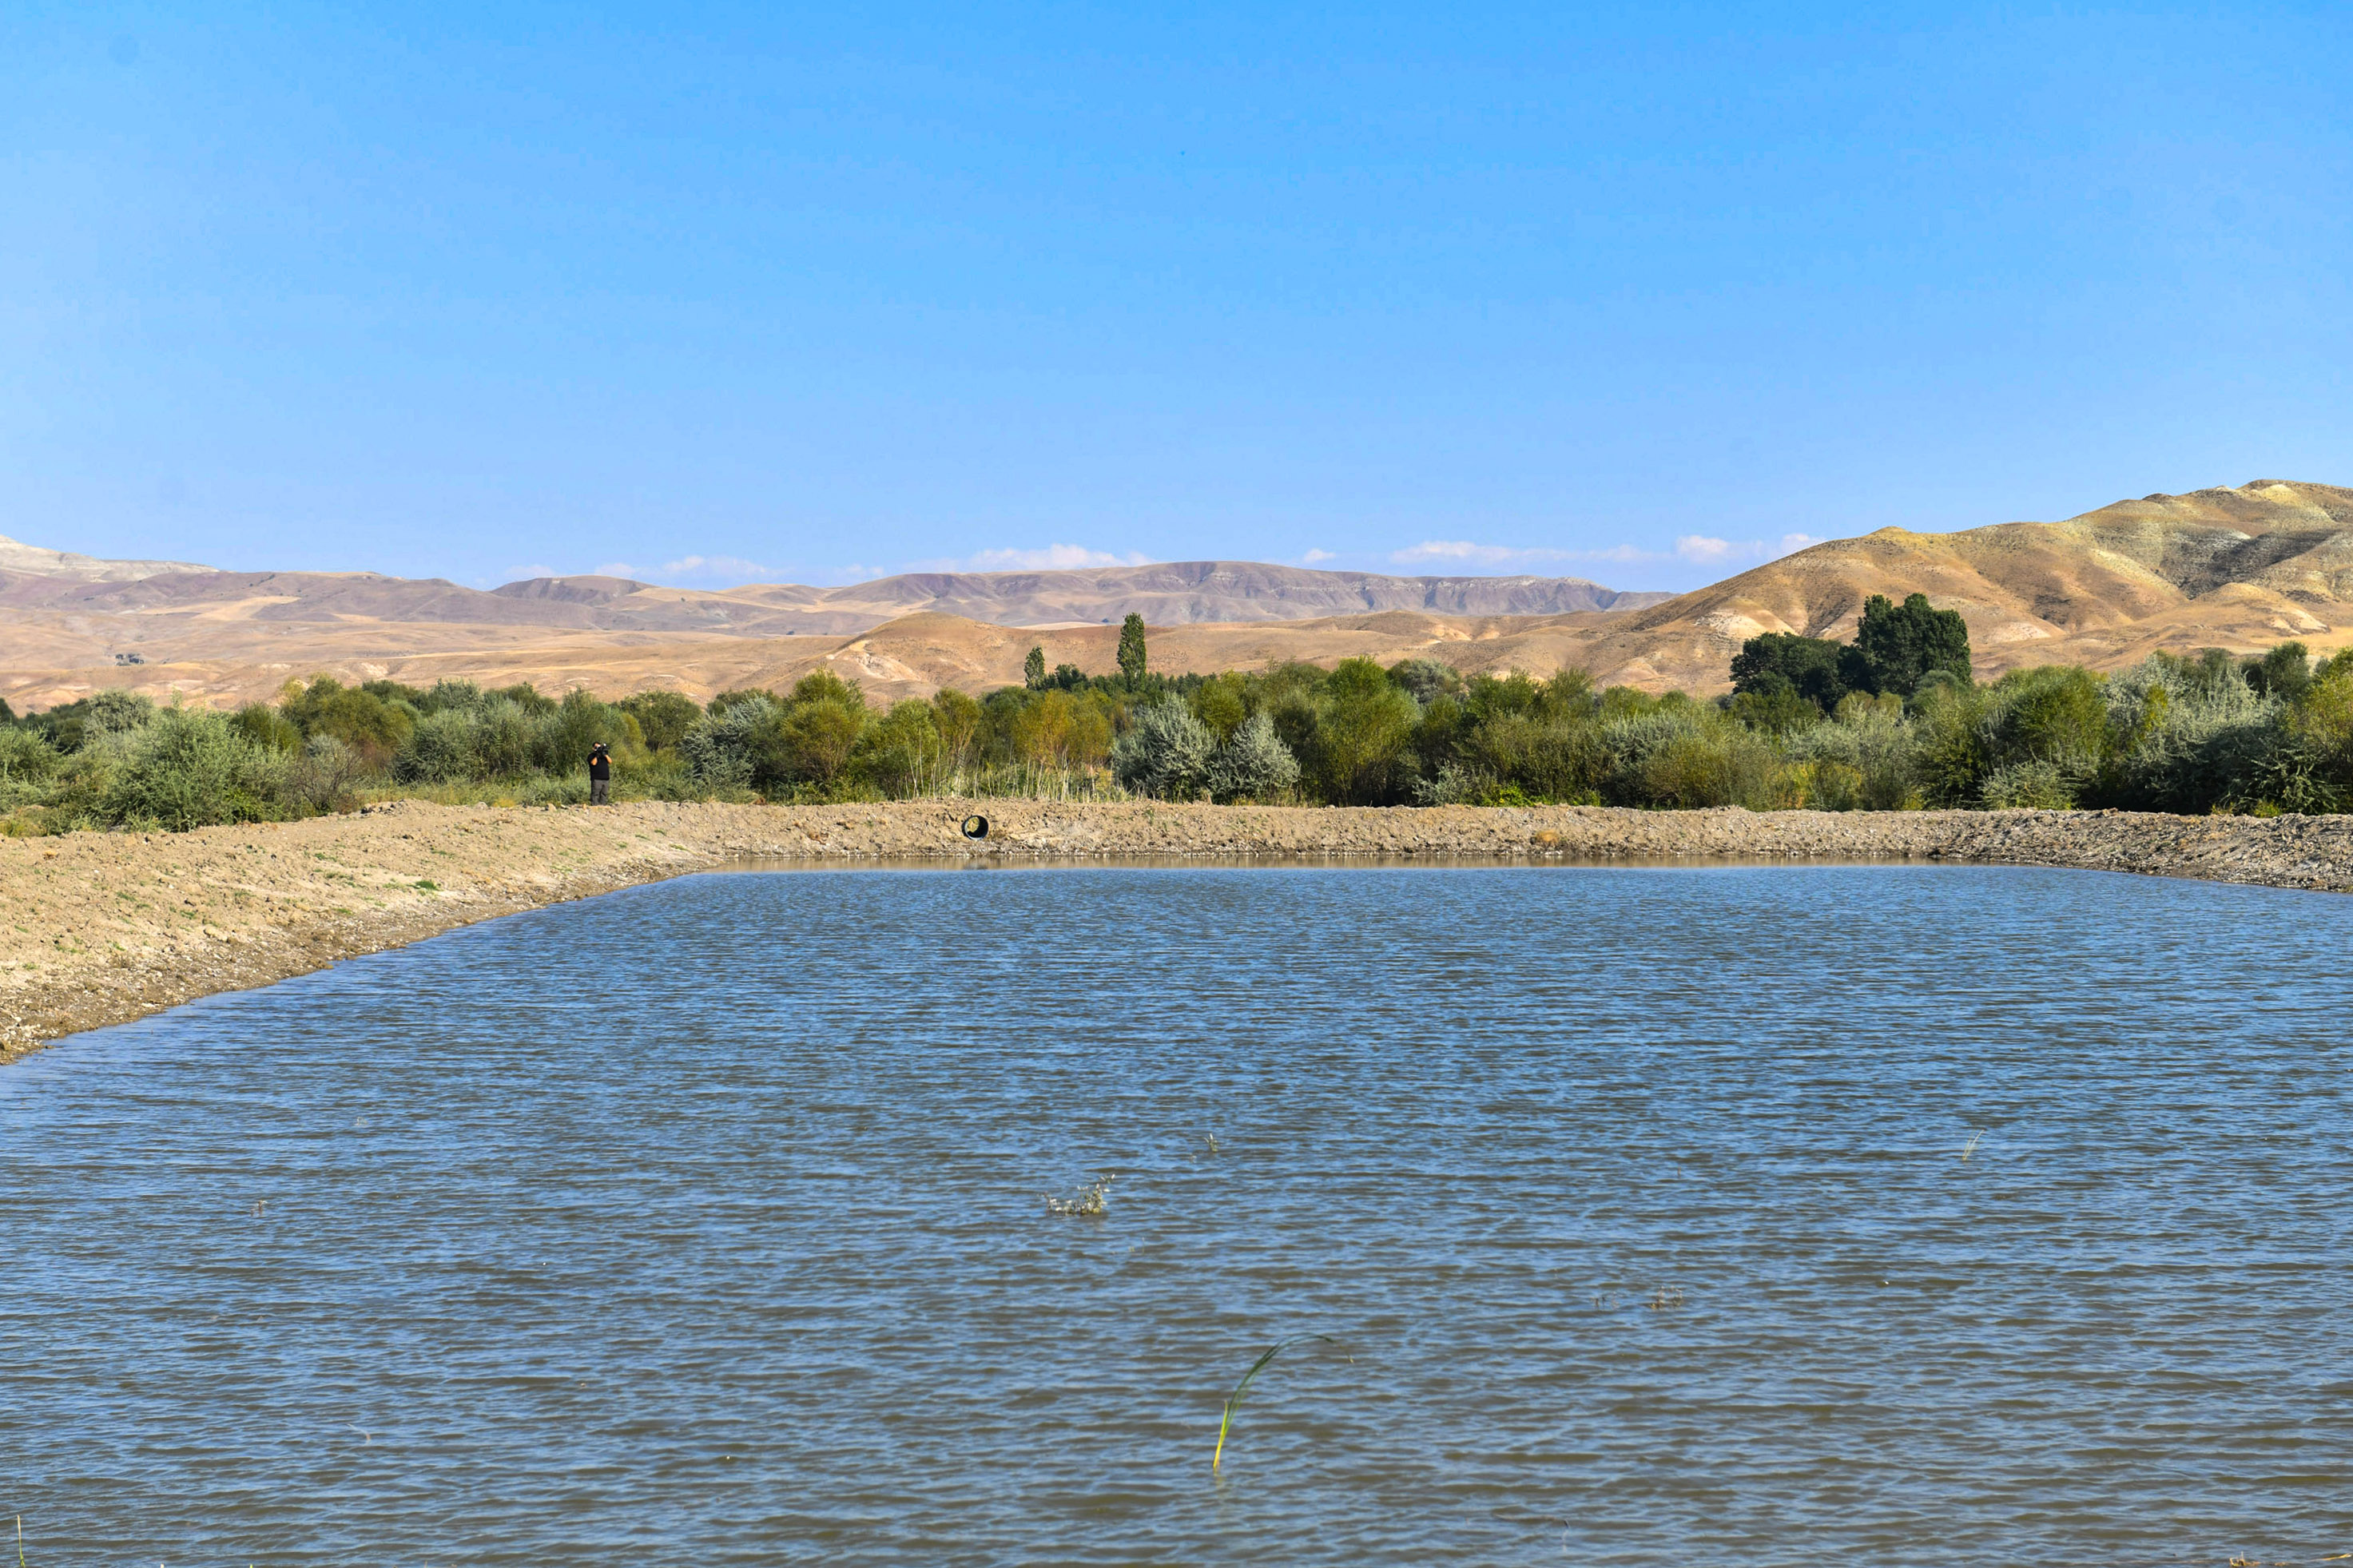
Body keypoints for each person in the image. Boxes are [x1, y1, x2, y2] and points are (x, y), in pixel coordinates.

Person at [587, 740, 612, 805]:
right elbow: (593, 763)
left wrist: (605, 755)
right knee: (595, 793)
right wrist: (597, 755)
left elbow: (610, 761)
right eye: (596, 747)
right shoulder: (591, 756)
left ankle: (603, 806)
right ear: (593, 748)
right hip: (596, 778)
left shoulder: (604, 756)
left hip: (605, 778)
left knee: (604, 794)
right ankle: (594, 806)